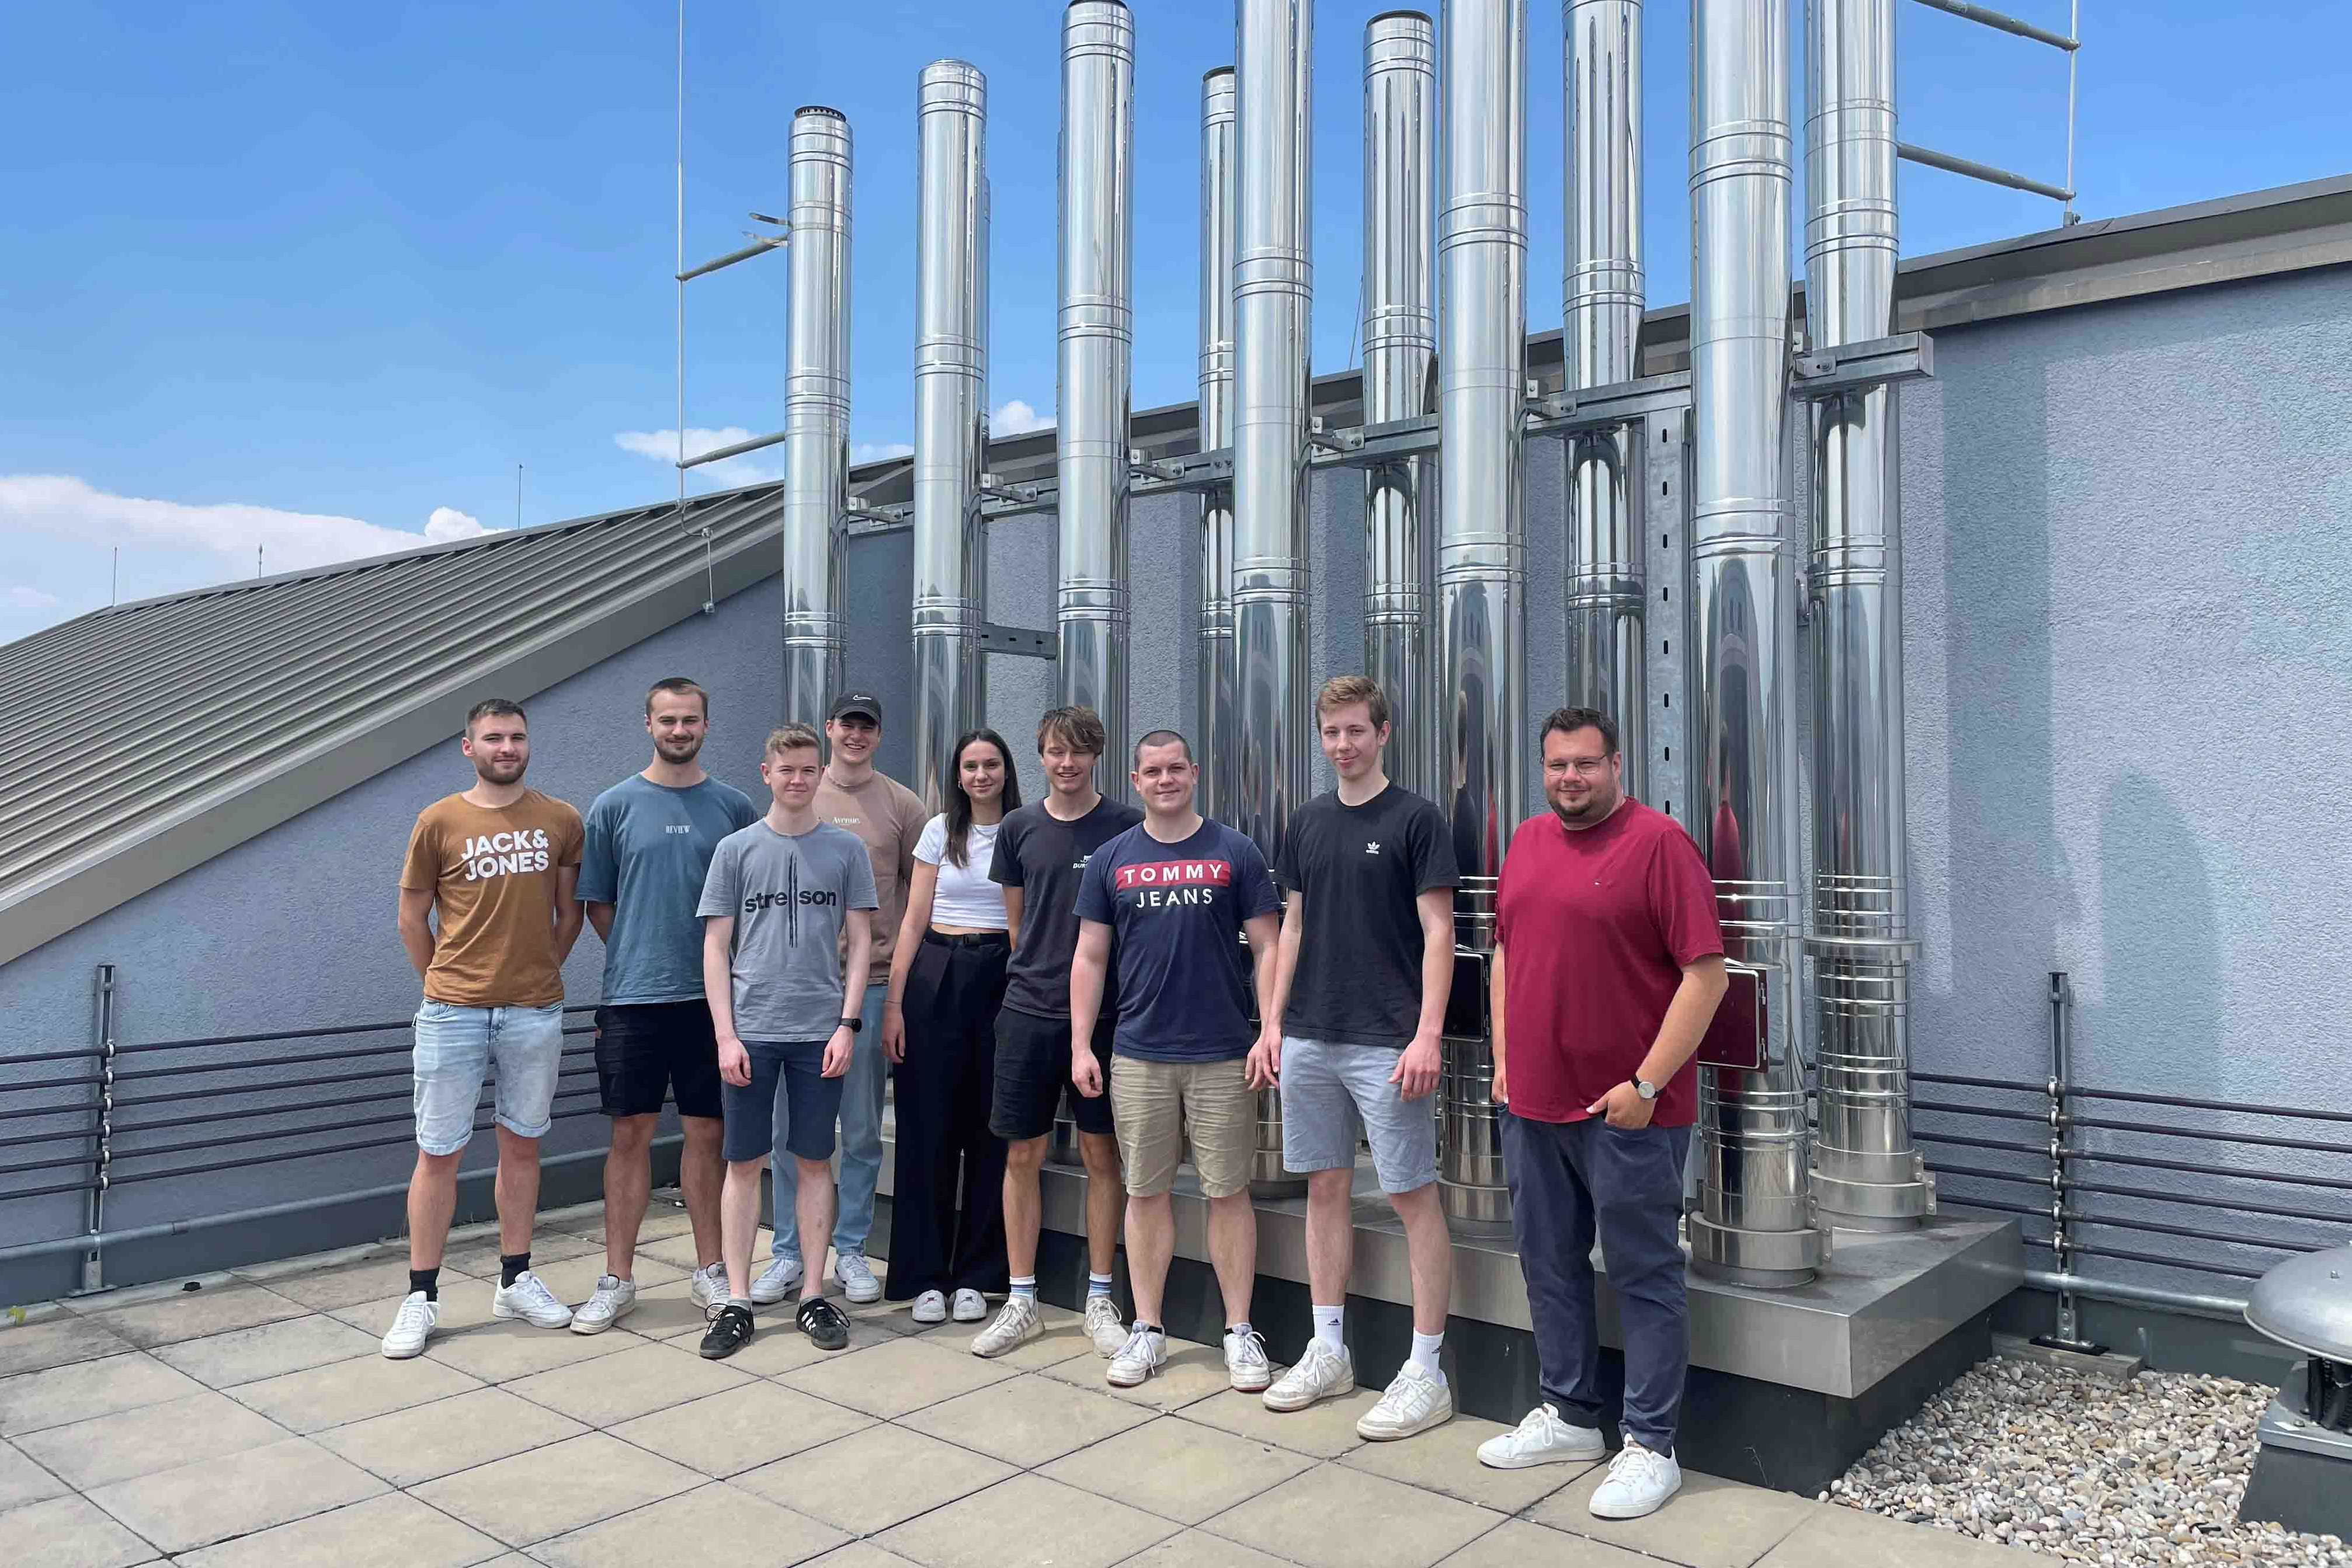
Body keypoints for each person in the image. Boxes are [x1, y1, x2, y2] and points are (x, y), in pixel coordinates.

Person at [1475, 706, 1729, 1522]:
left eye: (1585, 764)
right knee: (1547, 1264)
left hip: (1630, 1113)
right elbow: (1506, 952)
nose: (1569, 778)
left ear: (1615, 765)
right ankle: (1569, 1415)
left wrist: (1647, 1085)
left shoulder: (1657, 844)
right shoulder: (1524, 841)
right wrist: (1506, 1063)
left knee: (1643, 1274)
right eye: (1556, 765)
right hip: (1534, 1105)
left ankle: (1651, 1445)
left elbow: (1705, 977)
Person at [1254, 675, 1460, 1437]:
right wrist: (1272, 1024)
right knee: (1324, 1189)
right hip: (1309, 1036)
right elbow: (1292, 929)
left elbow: (1439, 933)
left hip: (1388, 1042)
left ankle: (1426, 1370)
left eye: (1355, 731)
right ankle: (1327, 1346)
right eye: (1331, 732)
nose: (1342, 745)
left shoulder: (1415, 819)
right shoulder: (1305, 823)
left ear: (1381, 733)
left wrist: (1427, 1033)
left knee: (1411, 1198)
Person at [1070, 729, 1281, 1392]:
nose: (1165, 780)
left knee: (1227, 1192)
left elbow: (1269, 948)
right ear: (1135, 781)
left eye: (1175, 769)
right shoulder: (1111, 858)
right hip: (1138, 1053)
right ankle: (1148, 1328)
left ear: (1194, 772)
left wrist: (1268, 1028)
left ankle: (1240, 1331)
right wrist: (1081, 1044)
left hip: (1222, 1053)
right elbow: (1089, 958)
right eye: (1152, 772)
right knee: (1145, 1191)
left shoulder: (1235, 851)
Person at [381, 698, 585, 1359]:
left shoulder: (560, 820)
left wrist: (534, 976)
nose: (507, 747)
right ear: (468, 747)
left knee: (522, 1145)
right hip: (452, 1012)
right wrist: (441, 983)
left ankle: (516, 1278)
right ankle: (421, 1295)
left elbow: (568, 915)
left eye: (517, 737)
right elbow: (414, 919)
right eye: (493, 738)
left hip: (533, 1010)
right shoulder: (438, 820)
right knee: (438, 1153)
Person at [570, 677, 758, 1331]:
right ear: (647, 724)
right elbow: (599, 904)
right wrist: (643, 950)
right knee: (630, 1135)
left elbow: (748, 903)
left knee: (709, 1133)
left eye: (691, 720)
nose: (680, 731)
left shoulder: (734, 807)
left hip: (716, 1006)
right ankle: (616, 1278)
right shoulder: (613, 807)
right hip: (632, 1000)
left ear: (707, 725)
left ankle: (710, 1272)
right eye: (668, 720)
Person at [695, 724, 873, 1359]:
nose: (797, 780)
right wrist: (725, 1035)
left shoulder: (843, 851)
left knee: (814, 1160)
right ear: (765, 773)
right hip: (752, 1031)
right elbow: (715, 946)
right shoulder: (737, 850)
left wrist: (848, 1024)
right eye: (786, 769)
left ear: (818, 773)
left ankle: (812, 1294)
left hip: (818, 1032)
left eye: (807, 770)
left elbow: (859, 946)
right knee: (743, 1162)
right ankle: (737, 1300)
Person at [968, 707, 1139, 1360]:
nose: (1066, 763)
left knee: (1103, 1157)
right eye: (1054, 752)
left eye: (1078, 752)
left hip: (1107, 1017)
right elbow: (1018, 924)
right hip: (1028, 1010)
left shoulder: (1125, 826)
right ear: (1039, 756)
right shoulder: (1018, 827)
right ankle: (1021, 1299)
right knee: (1021, 1156)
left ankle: (1100, 1297)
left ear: (1095, 755)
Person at [757, 692, 924, 1308]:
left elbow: (917, 902)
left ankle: (850, 1248)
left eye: (867, 727)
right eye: (846, 724)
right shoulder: (798, 791)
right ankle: (787, 1253)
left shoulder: (902, 804)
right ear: (829, 729)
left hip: (872, 985)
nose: (855, 735)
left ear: (878, 735)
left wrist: (899, 992)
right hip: (797, 992)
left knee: (858, 1130)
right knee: (789, 1132)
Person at [882, 730, 1019, 1323]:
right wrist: (892, 1003)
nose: (981, 775)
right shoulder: (940, 830)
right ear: (958, 775)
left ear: (1006, 771)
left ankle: (979, 1276)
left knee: (993, 1129)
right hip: (936, 974)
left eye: (991, 764)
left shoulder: (1024, 827)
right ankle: (925, 1275)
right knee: (926, 1128)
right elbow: (912, 921)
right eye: (971, 766)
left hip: (1003, 977)